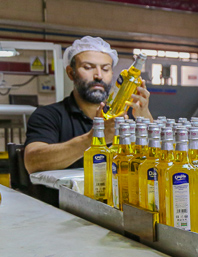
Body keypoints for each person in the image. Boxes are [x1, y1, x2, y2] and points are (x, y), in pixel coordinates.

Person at [24, 36, 152, 174]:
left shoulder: (126, 118)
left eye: (105, 69)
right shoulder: (49, 116)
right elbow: (32, 162)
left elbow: (159, 162)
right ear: (71, 73)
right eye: (88, 67)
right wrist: (93, 138)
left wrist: (145, 117)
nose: (98, 75)